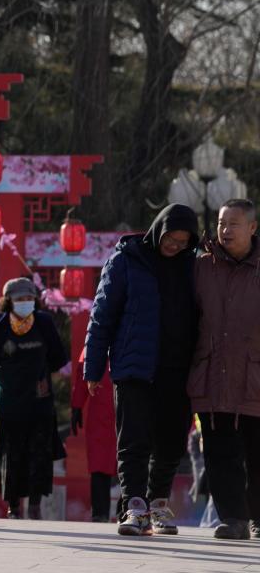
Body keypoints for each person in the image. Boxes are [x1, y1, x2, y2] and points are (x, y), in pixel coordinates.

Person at [84, 203, 199, 536]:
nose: (174, 246)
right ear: (158, 229)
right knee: (133, 440)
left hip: (177, 368)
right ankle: (134, 507)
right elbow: (101, 316)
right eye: (171, 238)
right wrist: (93, 368)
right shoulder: (126, 260)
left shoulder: (192, 267)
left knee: (171, 441)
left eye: (182, 242)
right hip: (134, 365)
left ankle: (158, 503)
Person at [188, 198, 260, 540]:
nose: (225, 230)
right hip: (212, 374)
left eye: (233, 223)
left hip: (255, 376)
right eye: (221, 223)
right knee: (219, 453)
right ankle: (233, 518)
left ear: (252, 228)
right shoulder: (202, 267)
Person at [0, 278, 68, 520]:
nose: (25, 303)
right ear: (8, 301)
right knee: (10, 454)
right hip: (8, 402)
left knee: (39, 453)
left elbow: (59, 357)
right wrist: (7, 378)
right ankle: (13, 507)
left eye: (29, 298)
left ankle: (35, 505)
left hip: (39, 400)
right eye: (19, 299)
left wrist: (39, 372)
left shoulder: (44, 323)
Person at [71, 347, 117, 522]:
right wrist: (77, 406)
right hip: (101, 414)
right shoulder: (96, 341)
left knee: (129, 464)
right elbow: (83, 369)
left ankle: (128, 512)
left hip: (127, 410)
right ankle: (100, 514)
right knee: (99, 464)